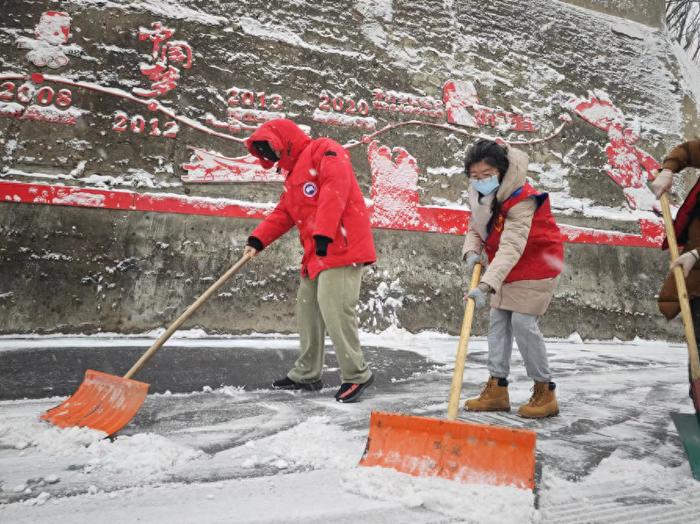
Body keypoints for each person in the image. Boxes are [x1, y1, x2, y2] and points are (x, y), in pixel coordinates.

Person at [243, 119, 376, 403]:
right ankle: (306, 374)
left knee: (335, 308)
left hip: (342, 245)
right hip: (317, 251)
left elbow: (335, 187)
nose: (273, 158)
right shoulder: (292, 177)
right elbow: (284, 212)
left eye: (272, 150)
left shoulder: (324, 149)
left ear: (283, 141)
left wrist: (324, 233)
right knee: (308, 310)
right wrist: (258, 240)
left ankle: (356, 374)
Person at [461, 139, 564, 418]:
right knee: (498, 322)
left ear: (502, 171)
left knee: (523, 323)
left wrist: (486, 285)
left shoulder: (522, 199)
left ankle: (545, 390)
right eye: (475, 177)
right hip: (505, 268)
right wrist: (472, 251)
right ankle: (497, 387)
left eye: (486, 175)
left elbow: (511, 247)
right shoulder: (482, 196)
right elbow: (476, 226)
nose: (480, 181)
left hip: (536, 264)